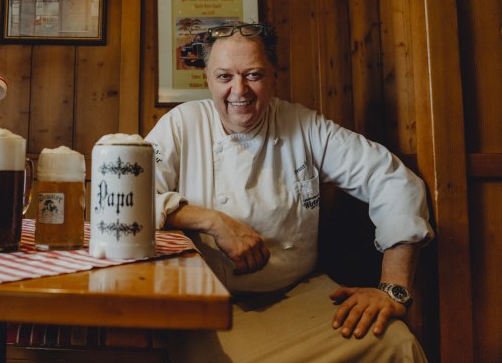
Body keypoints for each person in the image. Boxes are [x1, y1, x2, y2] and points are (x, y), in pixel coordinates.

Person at [145, 22, 434, 362]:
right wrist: (211, 220)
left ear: (273, 76)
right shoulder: (182, 124)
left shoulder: (304, 125)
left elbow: (393, 180)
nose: (240, 90)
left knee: (398, 343)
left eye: (253, 74)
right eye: (225, 76)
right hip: (209, 302)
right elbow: (132, 199)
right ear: (207, 78)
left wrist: (393, 289)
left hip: (302, 293)